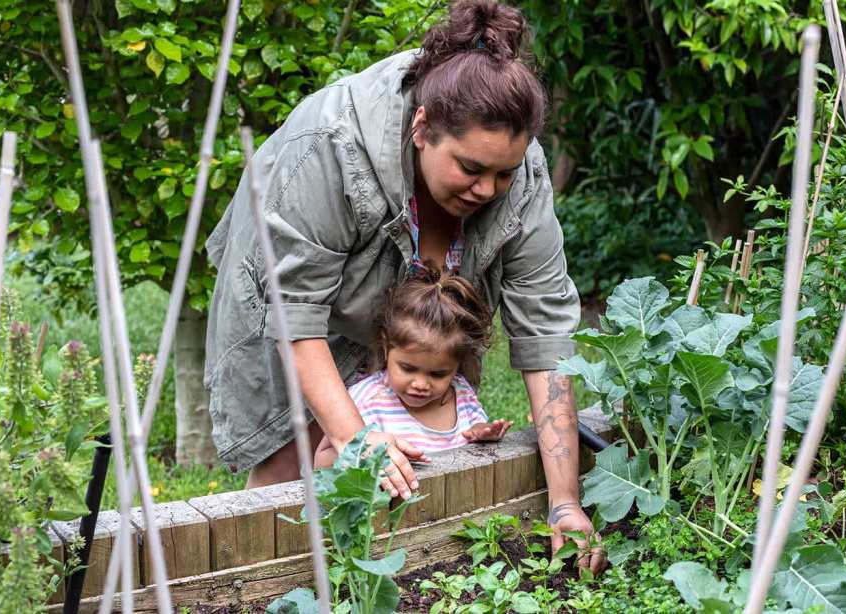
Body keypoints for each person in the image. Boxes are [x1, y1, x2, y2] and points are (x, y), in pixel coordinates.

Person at [204, 0, 604, 571]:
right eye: (469, 168)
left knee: (423, 435)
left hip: (417, 302)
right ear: (422, 130)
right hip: (291, 289)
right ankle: (263, 587)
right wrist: (355, 437)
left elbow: (546, 339)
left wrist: (565, 502)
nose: (488, 189)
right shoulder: (329, 145)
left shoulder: (521, 169)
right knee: (293, 456)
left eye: (503, 173)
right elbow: (296, 319)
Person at [313, 266, 513, 469]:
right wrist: (366, 456)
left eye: (438, 374)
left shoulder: (460, 393)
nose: (420, 384)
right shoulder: (367, 398)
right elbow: (322, 462)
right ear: (387, 346)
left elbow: (473, 429)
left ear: (457, 365)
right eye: (408, 368)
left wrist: (482, 433)